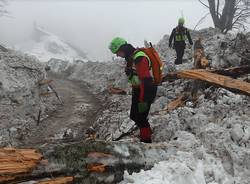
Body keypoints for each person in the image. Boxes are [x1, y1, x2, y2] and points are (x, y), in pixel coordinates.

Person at [109, 37, 157, 143]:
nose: (117, 55)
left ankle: (146, 140)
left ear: (123, 48)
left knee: (140, 117)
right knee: (134, 115)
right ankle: (146, 130)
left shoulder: (139, 58)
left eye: (118, 52)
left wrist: (143, 99)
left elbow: (147, 80)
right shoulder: (131, 57)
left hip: (146, 91)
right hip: (138, 90)